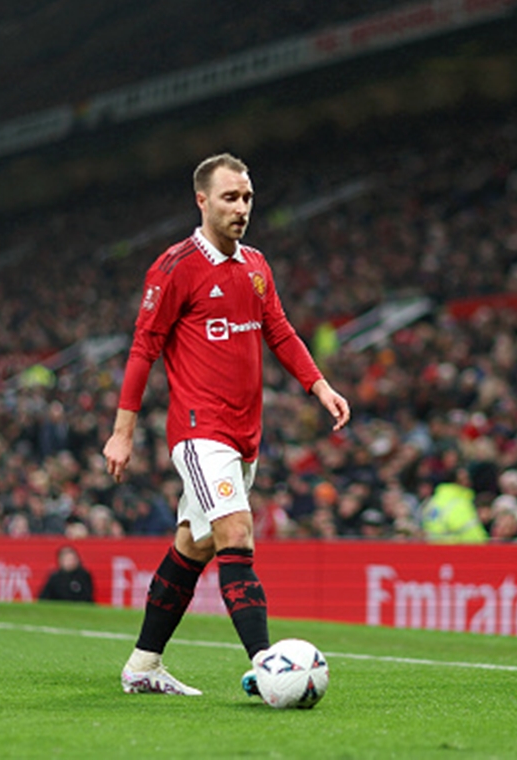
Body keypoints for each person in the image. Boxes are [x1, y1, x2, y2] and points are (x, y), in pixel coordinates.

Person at [104, 153, 350, 697]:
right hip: (199, 431)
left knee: (194, 544)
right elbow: (143, 349)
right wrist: (122, 431)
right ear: (202, 201)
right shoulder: (174, 268)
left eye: (247, 198)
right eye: (230, 198)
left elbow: (280, 332)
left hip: (245, 435)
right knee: (236, 534)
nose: (241, 209)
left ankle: (143, 666)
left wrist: (320, 385)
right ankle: (269, 669)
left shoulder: (257, 266)